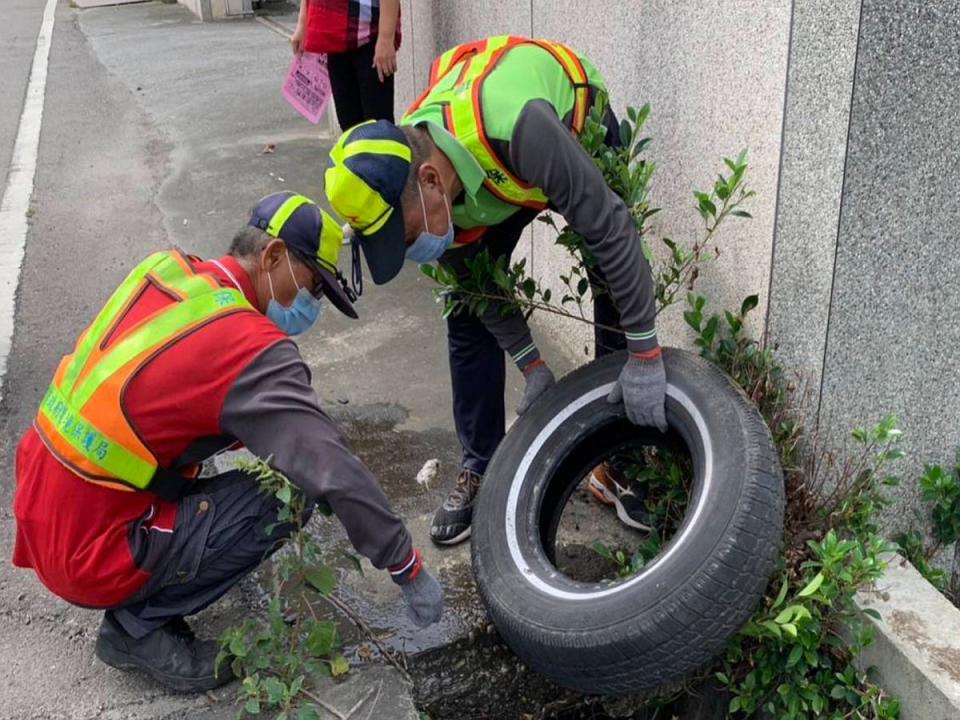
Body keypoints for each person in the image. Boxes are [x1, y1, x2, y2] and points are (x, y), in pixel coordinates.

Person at [11, 192, 443, 692]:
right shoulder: (247, 344)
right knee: (291, 492)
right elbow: (331, 464)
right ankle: (134, 629)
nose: (312, 305)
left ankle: (145, 578)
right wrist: (406, 566)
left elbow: (157, 393)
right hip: (91, 553)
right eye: (313, 287)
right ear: (274, 256)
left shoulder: (168, 272)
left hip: (43, 504)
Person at [324, 36, 668, 546]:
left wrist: (645, 353)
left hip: (569, 128)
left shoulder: (522, 128)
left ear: (431, 180)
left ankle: (614, 461)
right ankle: (480, 465)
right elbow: (476, 283)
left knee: (610, 275)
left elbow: (611, 228)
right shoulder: (422, 177)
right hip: (490, 176)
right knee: (464, 313)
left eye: (408, 234)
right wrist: (532, 365)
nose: (414, 247)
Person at [291, 0, 401, 130]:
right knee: (349, 126)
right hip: (332, 34)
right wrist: (303, 22)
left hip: (370, 33)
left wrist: (385, 39)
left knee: (378, 127)